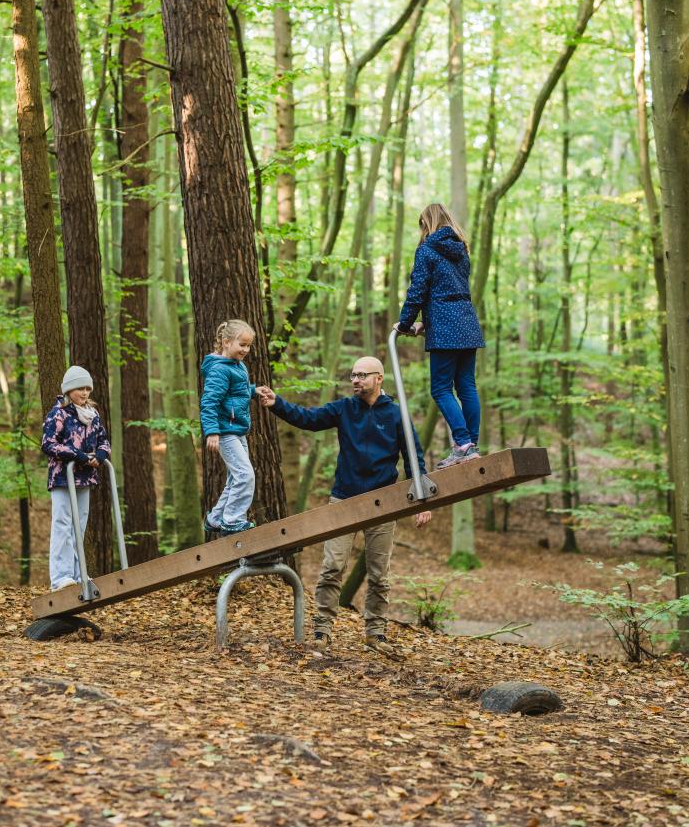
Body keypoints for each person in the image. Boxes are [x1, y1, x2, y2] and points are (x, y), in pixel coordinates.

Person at [256, 357, 432, 651]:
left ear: (379, 378)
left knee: (379, 574)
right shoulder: (344, 408)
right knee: (332, 567)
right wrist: (277, 404)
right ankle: (322, 630)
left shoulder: (396, 414)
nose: (355, 380)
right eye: (353, 375)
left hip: (383, 503)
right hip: (344, 499)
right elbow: (308, 419)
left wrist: (421, 501)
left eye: (362, 375)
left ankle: (375, 633)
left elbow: (414, 457)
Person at [395, 202, 484, 468]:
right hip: (466, 322)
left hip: (446, 327)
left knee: (441, 388)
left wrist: (405, 322)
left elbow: (418, 289)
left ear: (426, 223)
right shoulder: (462, 250)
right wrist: (425, 322)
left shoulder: (426, 249)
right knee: (466, 386)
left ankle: (463, 443)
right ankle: (470, 445)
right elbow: (449, 289)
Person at [42, 365, 111, 592]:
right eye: (80, 388)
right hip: (63, 477)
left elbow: (103, 440)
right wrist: (76, 455)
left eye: (87, 389)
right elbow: (48, 444)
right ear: (69, 390)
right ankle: (60, 577)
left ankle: (77, 572)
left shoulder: (93, 414)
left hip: (85, 477)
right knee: (62, 524)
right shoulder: (58, 413)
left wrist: (101, 454)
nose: (84, 392)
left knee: (79, 525)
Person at [201, 319, 260, 535]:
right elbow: (209, 402)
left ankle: (216, 518)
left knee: (236, 477)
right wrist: (212, 432)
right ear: (226, 342)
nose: (246, 350)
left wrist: (253, 391)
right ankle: (232, 520)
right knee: (245, 475)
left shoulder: (237, 365)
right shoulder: (219, 369)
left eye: (248, 345)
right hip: (225, 432)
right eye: (242, 345)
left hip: (237, 430)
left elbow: (235, 393)